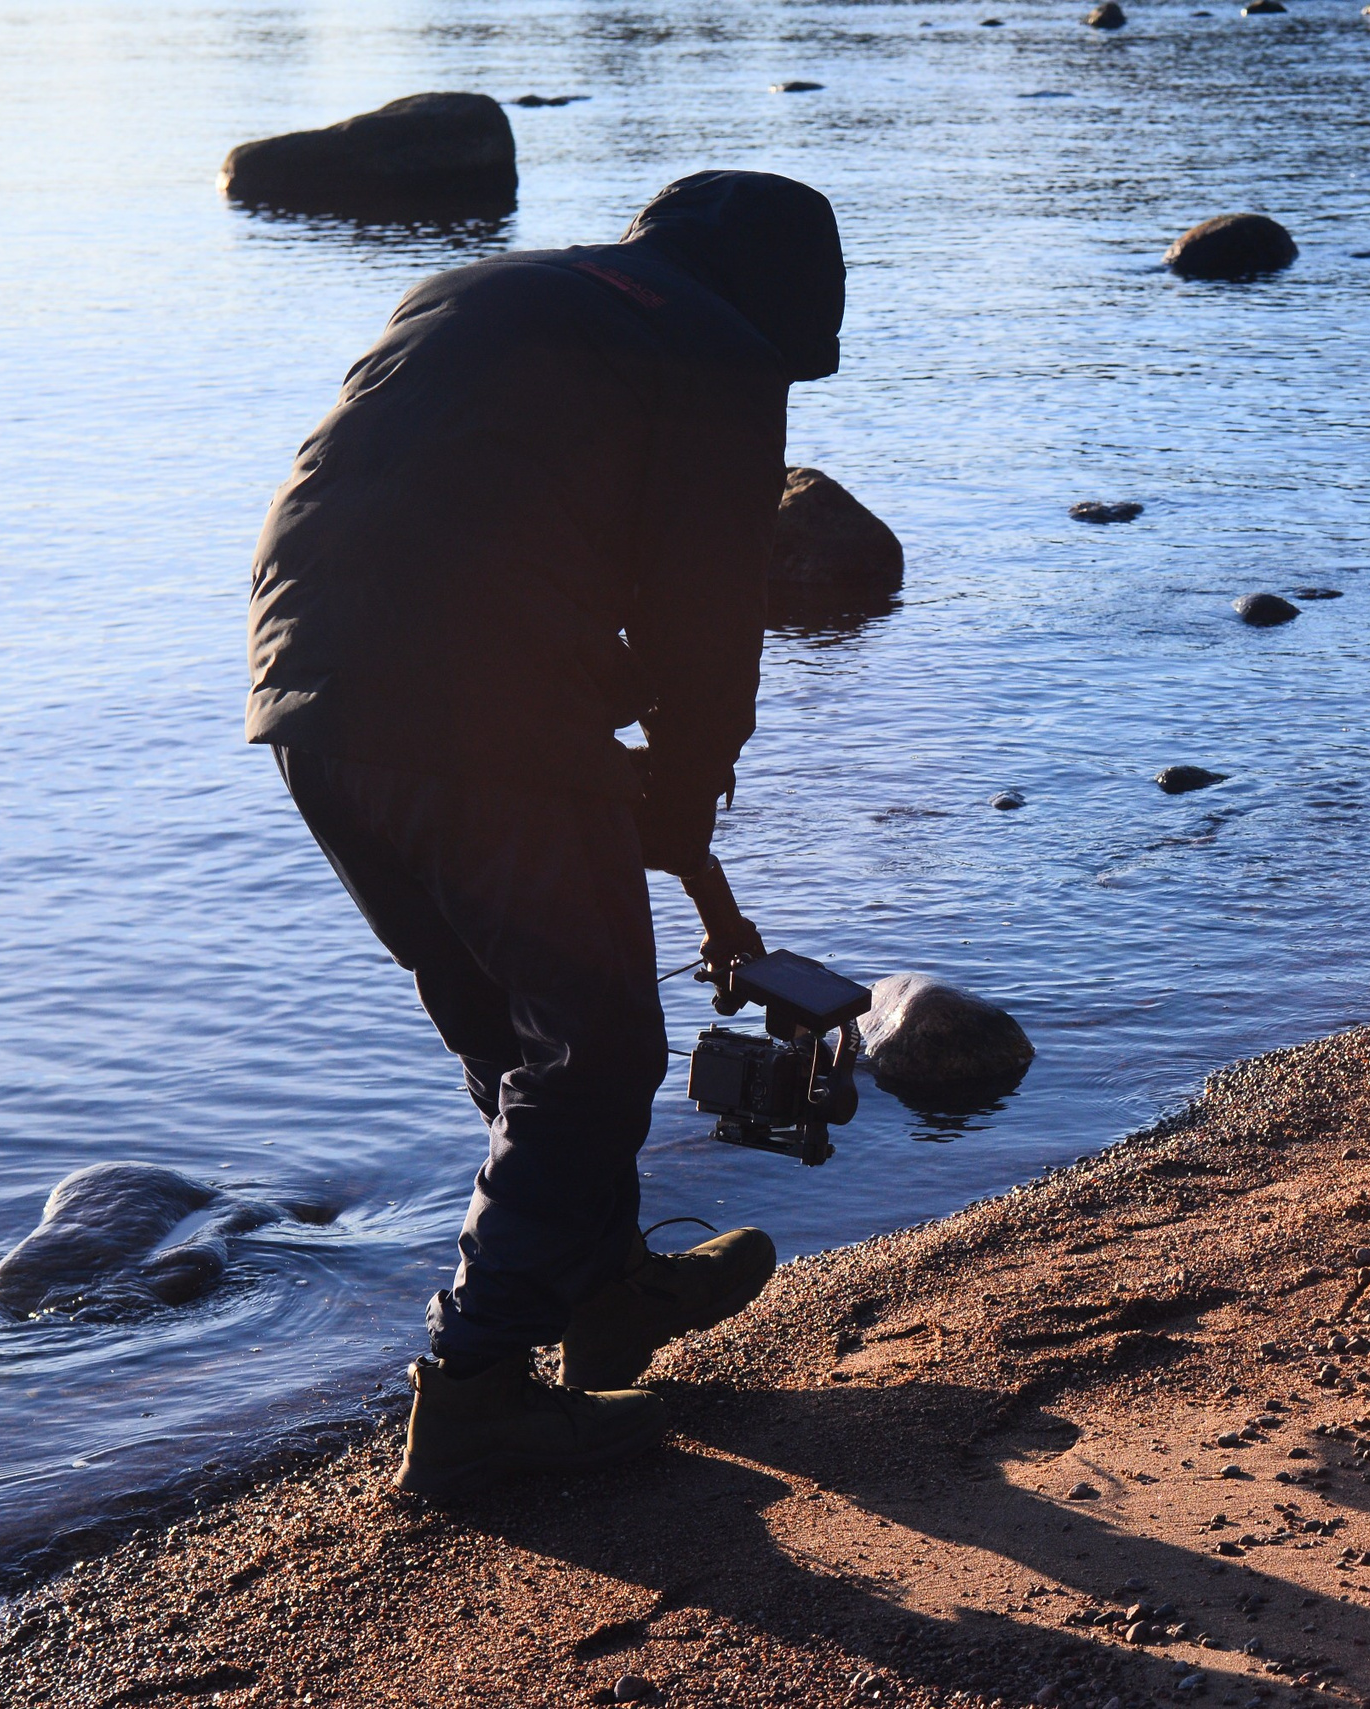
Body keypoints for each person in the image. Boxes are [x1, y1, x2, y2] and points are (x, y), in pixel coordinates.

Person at [245, 170, 845, 1495]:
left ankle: (602, 1293)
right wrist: (688, 784)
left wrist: (613, 744)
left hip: (304, 693)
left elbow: (475, 520)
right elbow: (704, 608)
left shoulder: (494, 289)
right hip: (464, 698)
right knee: (599, 1043)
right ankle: (476, 1398)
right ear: (784, 303)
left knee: (513, 1025)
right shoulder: (715, 349)